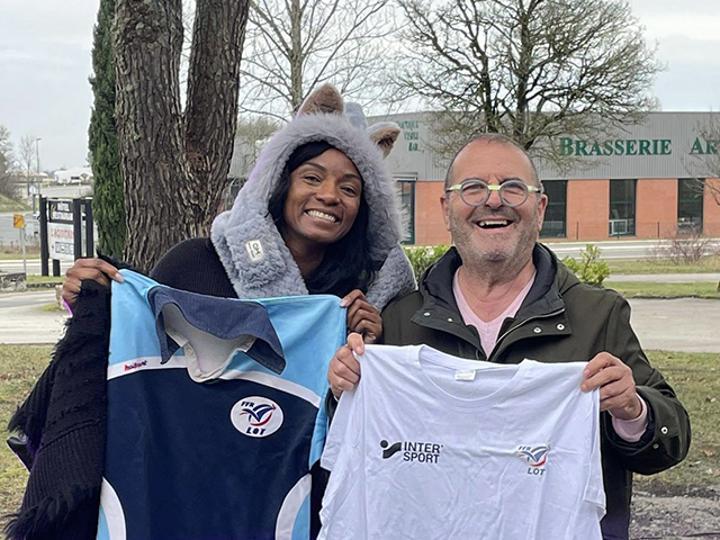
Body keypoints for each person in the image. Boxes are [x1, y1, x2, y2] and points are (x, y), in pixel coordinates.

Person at [8, 83, 416, 539]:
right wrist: (92, 305)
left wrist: (369, 353)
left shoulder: (360, 299)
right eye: (312, 177)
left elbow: (368, 444)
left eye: (350, 188)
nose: (329, 195)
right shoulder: (196, 262)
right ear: (280, 181)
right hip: (175, 493)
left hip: (285, 510)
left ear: (366, 207)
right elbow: (135, 343)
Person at [327, 133, 691, 540]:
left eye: (513, 187)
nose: (494, 200)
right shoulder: (399, 321)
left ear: (540, 208)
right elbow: (360, 450)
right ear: (446, 209)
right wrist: (345, 390)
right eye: (473, 188)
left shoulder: (598, 316)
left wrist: (633, 410)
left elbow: (669, 442)